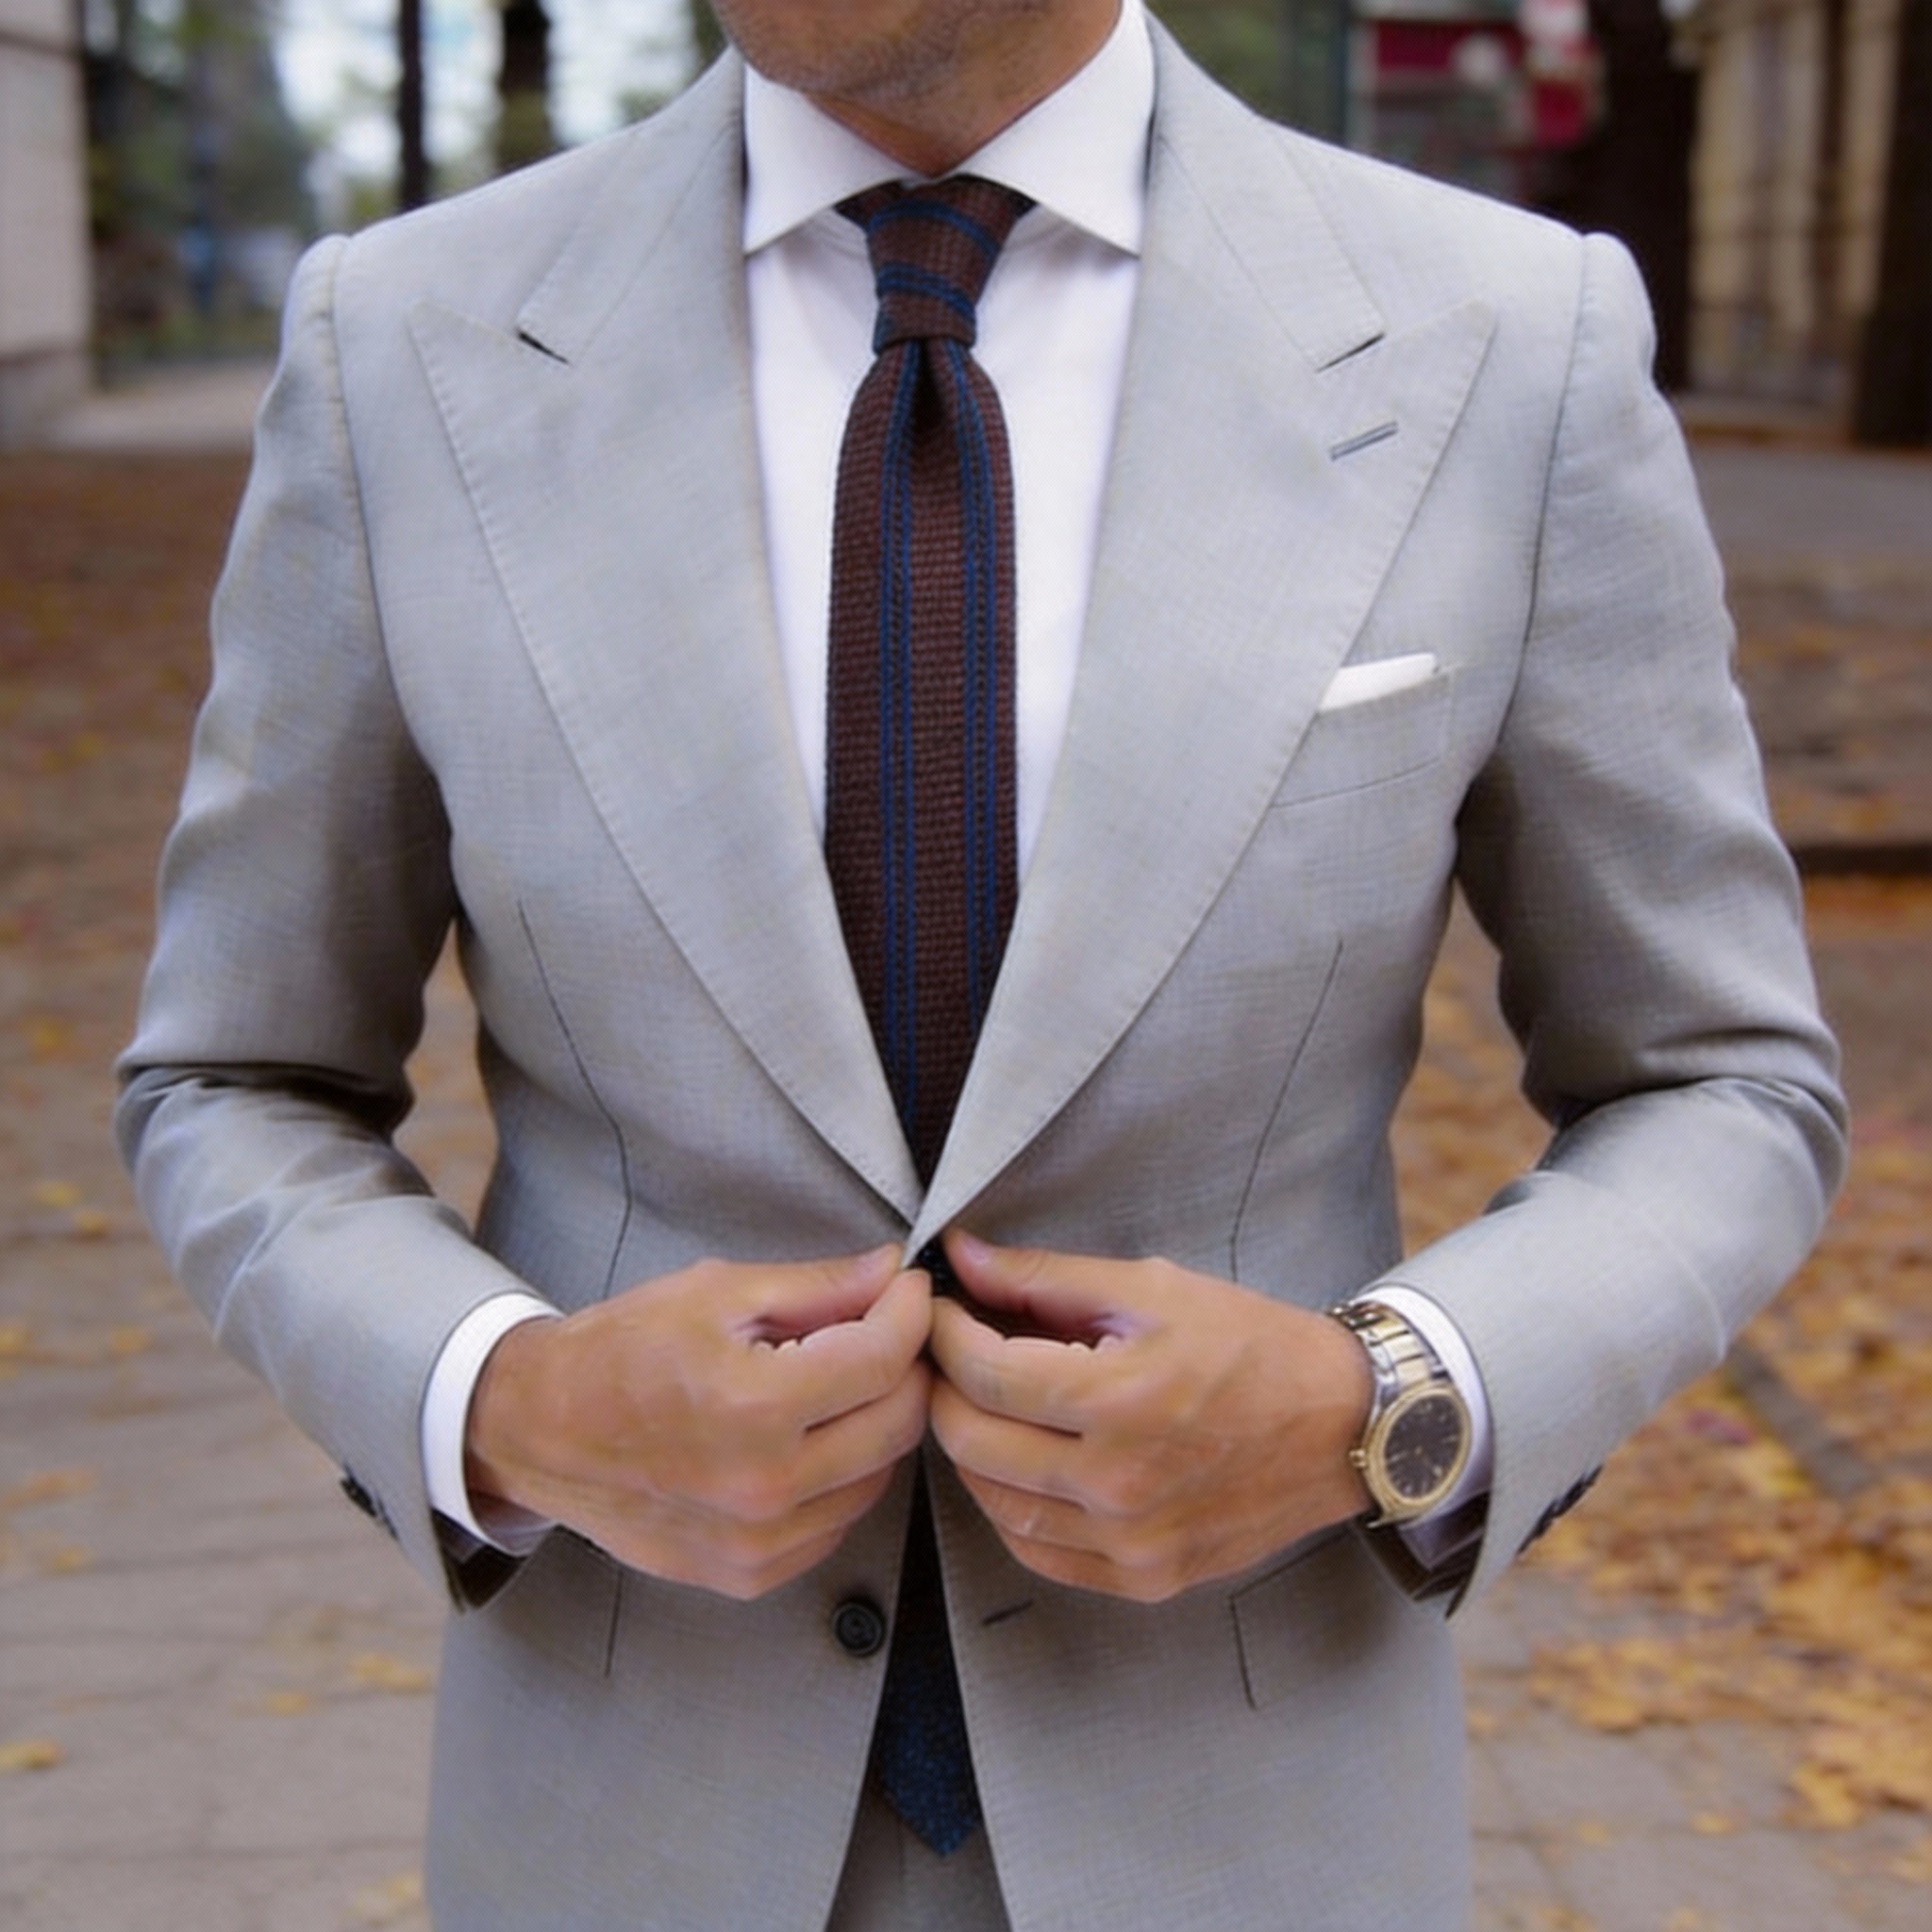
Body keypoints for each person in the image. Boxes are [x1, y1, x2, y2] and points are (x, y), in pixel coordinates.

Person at [117, 2, 1845, 1926]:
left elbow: (1717, 1079)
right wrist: (498, 1400)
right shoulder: (405, 345)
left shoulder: (1505, 342)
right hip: (628, 1809)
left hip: (1250, 1810)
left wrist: (1388, 1403)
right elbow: (234, 1074)